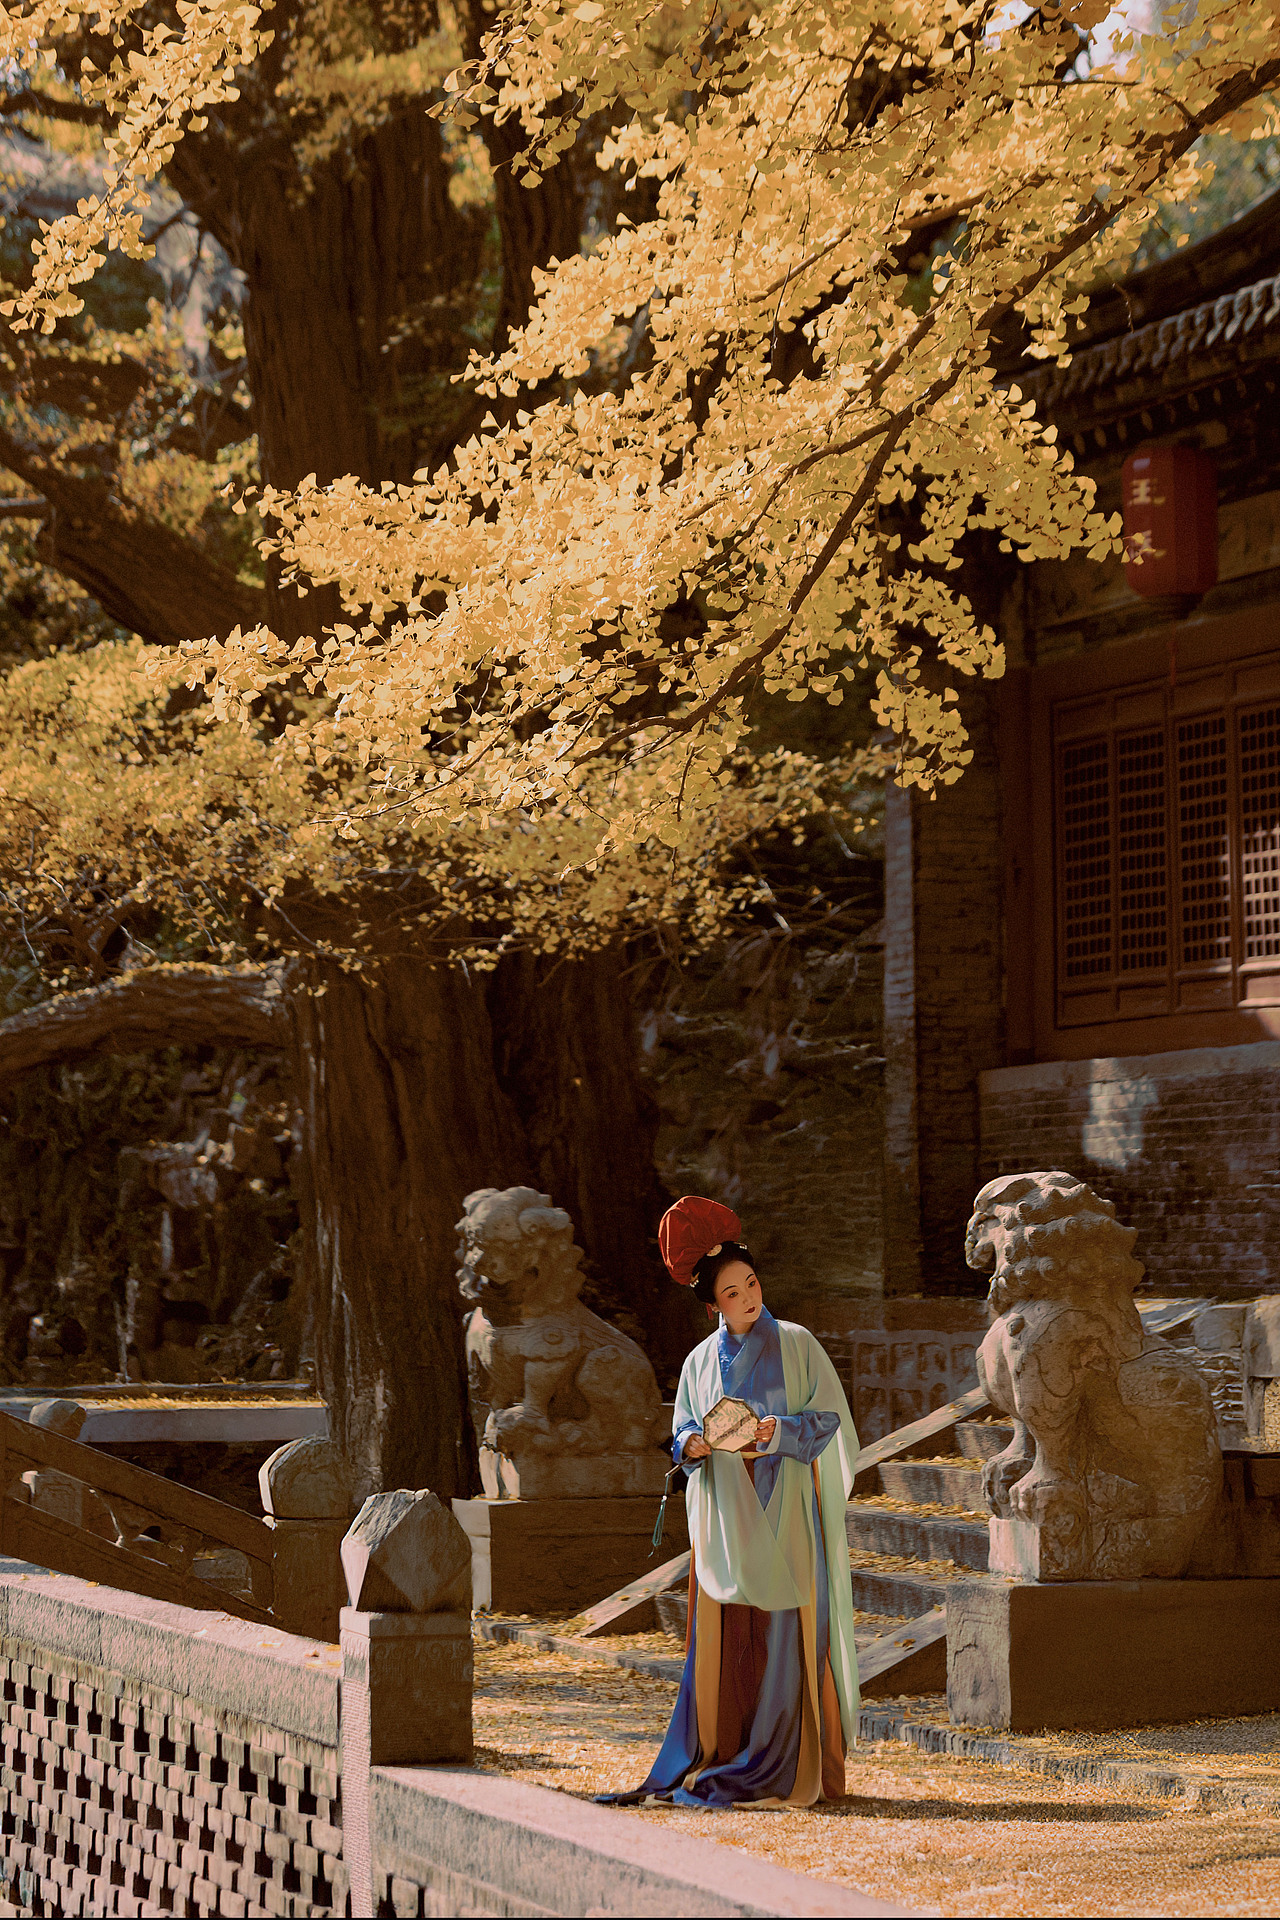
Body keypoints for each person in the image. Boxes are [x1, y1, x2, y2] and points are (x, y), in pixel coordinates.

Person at [606, 1195, 859, 1809]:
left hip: (784, 1506)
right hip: (726, 1510)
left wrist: (780, 1431)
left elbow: (832, 1421)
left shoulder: (797, 1344)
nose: (747, 1297)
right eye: (732, 1293)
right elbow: (682, 1430)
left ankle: (781, 1761)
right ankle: (722, 1748)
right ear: (713, 1303)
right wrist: (692, 1442)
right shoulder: (699, 1361)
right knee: (726, 1636)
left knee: (785, 1635)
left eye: (751, 1283)